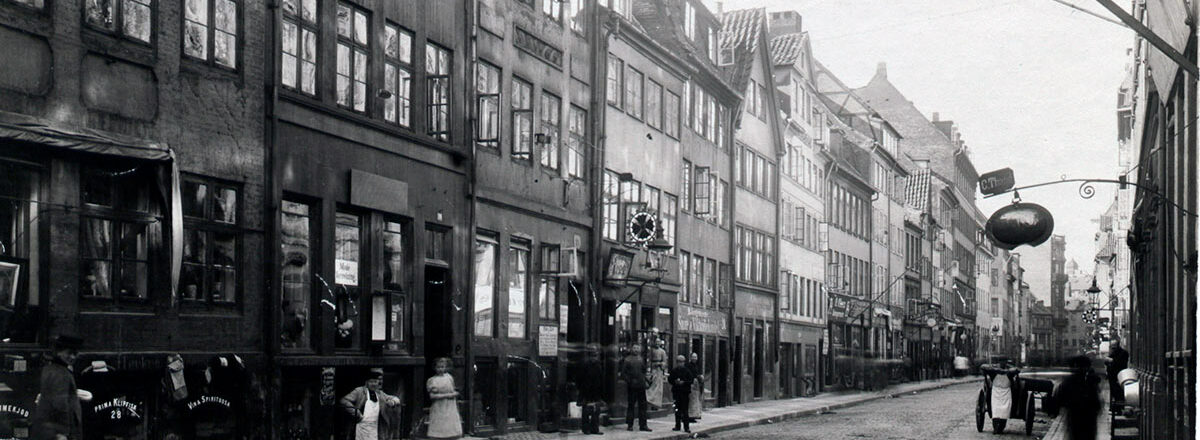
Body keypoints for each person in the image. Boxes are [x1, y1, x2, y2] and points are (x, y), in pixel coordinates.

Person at [31, 334, 84, 440]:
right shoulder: (61, 373)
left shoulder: (50, 369)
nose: (72, 357)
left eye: (75, 353)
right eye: (69, 353)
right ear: (59, 352)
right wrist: (62, 433)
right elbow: (60, 404)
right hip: (58, 432)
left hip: (48, 430)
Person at [339, 368, 402, 440]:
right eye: (371, 382)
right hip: (360, 426)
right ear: (366, 383)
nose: (373, 384)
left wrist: (393, 402)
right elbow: (344, 400)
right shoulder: (359, 391)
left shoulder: (380, 394)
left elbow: (397, 399)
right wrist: (356, 413)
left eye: (375, 382)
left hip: (374, 428)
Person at [1055, 355, 1102, 440]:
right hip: (1088, 419)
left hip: (1075, 418)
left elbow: (1059, 399)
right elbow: (1097, 403)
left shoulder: (1068, 381)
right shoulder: (1090, 381)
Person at [426, 357, 463, 439]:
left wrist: (455, 394)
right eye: (438, 367)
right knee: (439, 428)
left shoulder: (449, 377)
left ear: (445, 367)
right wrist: (448, 396)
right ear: (434, 368)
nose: (440, 369)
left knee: (450, 428)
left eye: (442, 367)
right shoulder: (432, 380)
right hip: (439, 406)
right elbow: (432, 396)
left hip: (450, 407)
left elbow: (452, 389)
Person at [618, 343, 650, 432]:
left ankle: (643, 425)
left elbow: (644, 371)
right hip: (632, 386)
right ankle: (630, 424)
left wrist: (646, 380)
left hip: (641, 385)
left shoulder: (641, 359)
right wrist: (630, 381)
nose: (636, 350)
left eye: (637, 348)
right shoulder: (627, 360)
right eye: (634, 348)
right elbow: (623, 374)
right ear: (631, 349)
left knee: (643, 406)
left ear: (640, 349)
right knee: (631, 405)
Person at [578, 346, 606, 435]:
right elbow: (579, 377)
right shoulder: (584, 363)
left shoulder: (598, 364)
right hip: (586, 390)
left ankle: (595, 428)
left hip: (596, 390)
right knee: (586, 410)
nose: (595, 355)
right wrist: (581, 389)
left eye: (596, 353)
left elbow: (601, 377)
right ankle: (585, 428)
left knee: (596, 411)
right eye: (593, 353)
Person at [669, 355, 695, 433]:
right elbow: (670, 379)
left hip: (684, 393)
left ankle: (686, 427)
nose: (680, 363)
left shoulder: (687, 371)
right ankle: (677, 426)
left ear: (684, 362)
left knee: (685, 410)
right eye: (678, 362)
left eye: (681, 362)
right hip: (676, 392)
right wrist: (675, 382)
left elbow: (691, 380)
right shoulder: (674, 370)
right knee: (677, 410)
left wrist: (684, 382)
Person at [646, 340, 667, 408]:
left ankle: (656, 403)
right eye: (656, 342)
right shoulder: (651, 351)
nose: (657, 343)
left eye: (659, 342)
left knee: (658, 387)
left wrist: (661, 364)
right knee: (652, 385)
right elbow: (648, 360)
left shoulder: (662, 351)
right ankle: (649, 399)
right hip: (652, 370)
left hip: (659, 371)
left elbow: (664, 362)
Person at [686, 352, 703, 422]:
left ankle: (694, 416)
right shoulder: (688, 365)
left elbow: (697, 373)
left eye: (695, 357)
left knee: (695, 400)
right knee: (691, 400)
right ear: (690, 358)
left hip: (696, 385)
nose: (694, 358)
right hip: (691, 384)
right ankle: (690, 416)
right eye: (693, 357)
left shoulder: (697, 365)